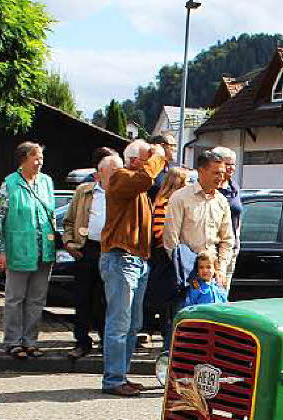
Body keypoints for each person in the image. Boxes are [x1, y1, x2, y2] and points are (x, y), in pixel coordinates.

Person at [100, 139, 167, 396]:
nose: (154, 162)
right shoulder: (120, 178)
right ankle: (114, 379)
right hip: (121, 258)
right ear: (136, 160)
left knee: (133, 323)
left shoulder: (136, 186)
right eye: (147, 157)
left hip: (136, 260)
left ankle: (121, 375)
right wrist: (158, 155)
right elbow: (145, 178)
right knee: (119, 323)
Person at [64, 152, 123, 359]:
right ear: (99, 175)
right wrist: (69, 243)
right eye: (113, 171)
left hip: (113, 250)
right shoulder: (84, 192)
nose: (118, 175)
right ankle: (82, 342)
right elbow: (69, 221)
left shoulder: (123, 193)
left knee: (107, 300)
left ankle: (106, 343)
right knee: (82, 298)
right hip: (87, 248)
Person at [0, 141, 56, 359]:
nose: (40, 161)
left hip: (44, 250)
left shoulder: (47, 182)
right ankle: (13, 341)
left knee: (37, 299)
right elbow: (0, 218)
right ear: (24, 159)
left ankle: (30, 340)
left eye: (41, 157)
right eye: (36, 157)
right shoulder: (10, 184)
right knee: (15, 298)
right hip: (18, 249)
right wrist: (1, 250)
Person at [163, 149, 234, 284]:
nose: (220, 177)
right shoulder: (180, 198)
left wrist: (221, 269)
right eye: (216, 173)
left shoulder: (222, 201)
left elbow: (227, 240)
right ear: (201, 171)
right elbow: (171, 239)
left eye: (222, 173)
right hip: (187, 275)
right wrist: (184, 269)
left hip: (213, 275)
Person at [148, 166, 189, 351]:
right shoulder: (165, 203)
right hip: (166, 259)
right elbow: (160, 233)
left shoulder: (164, 201)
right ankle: (168, 345)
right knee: (170, 305)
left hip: (167, 259)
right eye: (185, 181)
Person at [212, 146, 243, 291]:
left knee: (224, 291)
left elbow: (238, 214)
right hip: (216, 248)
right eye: (228, 164)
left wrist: (238, 239)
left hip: (232, 247)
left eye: (233, 164)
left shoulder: (234, 187)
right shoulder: (213, 188)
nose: (231, 168)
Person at [148, 133, 178, 202]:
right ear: (161, 146)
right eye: (172, 145)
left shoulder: (169, 166)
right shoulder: (151, 165)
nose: (175, 149)